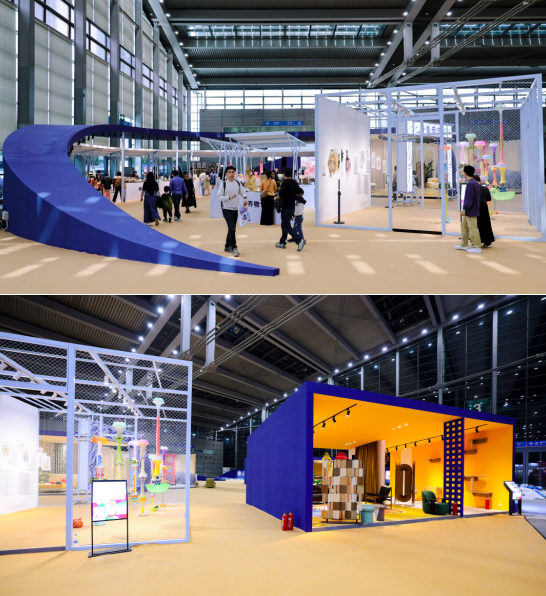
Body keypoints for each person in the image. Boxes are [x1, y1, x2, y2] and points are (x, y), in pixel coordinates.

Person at [216, 165, 248, 258]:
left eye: (232, 172)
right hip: (226, 209)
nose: (231, 173)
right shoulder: (223, 184)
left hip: (235, 209)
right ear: (226, 174)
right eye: (229, 172)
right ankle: (234, 248)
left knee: (232, 229)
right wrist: (229, 197)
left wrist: (245, 198)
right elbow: (219, 197)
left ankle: (227, 246)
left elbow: (243, 192)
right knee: (232, 229)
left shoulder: (237, 183)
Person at [274, 167, 305, 251]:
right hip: (292, 207)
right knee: (284, 224)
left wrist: (275, 198)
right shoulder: (294, 183)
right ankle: (282, 242)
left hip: (285, 207)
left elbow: (281, 194)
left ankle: (299, 240)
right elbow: (300, 192)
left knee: (286, 226)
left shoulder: (284, 183)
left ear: (284, 174)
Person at [455, 165, 482, 253]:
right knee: (464, 227)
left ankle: (477, 247)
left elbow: (469, 199)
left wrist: (464, 209)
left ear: (465, 173)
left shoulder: (470, 184)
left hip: (470, 211)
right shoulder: (475, 183)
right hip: (471, 210)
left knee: (473, 228)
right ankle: (464, 244)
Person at [473, 174, 495, 248]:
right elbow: (489, 198)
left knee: (476, 224)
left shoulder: (472, 189)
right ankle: (487, 242)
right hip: (484, 207)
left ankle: (476, 241)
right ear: (479, 181)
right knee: (486, 224)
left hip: (475, 207)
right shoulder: (485, 188)